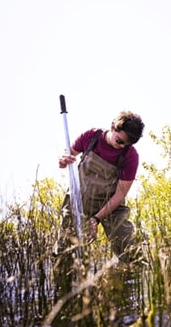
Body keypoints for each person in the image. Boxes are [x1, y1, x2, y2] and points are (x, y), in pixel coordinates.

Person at [56, 110, 145, 264]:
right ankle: (63, 281)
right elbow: (68, 154)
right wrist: (64, 160)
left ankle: (134, 279)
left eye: (126, 144)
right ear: (112, 127)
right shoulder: (91, 137)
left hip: (110, 205)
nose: (122, 146)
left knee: (128, 245)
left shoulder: (131, 156)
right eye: (119, 141)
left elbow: (120, 194)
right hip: (79, 199)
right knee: (64, 249)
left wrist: (96, 219)